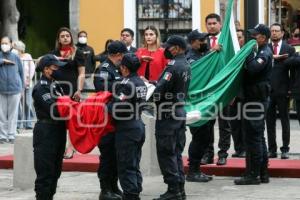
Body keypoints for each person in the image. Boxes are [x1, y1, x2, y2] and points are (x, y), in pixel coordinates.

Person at [152, 35, 190, 200]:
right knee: (176, 152)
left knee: (166, 152)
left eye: (170, 47)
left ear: (177, 48)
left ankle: (173, 189)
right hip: (179, 111)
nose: (167, 50)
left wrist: (150, 89)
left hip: (168, 114)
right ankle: (179, 188)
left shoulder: (173, 67)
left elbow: (159, 91)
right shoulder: (186, 64)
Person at [234, 24, 272, 185]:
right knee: (257, 137)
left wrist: (248, 54)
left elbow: (253, 68)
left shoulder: (264, 52)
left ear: (262, 37)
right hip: (253, 100)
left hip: (255, 101)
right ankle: (262, 173)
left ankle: (253, 174)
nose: (252, 38)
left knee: (253, 139)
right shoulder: (261, 50)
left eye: (255, 36)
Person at [94, 40, 128, 200]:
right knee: (107, 155)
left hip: (117, 118)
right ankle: (105, 189)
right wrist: (121, 84)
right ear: (117, 55)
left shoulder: (119, 69)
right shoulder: (104, 69)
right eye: (123, 55)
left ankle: (114, 186)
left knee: (116, 156)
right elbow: (103, 88)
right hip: (105, 119)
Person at [111, 53, 147, 200]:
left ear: (124, 68)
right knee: (134, 162)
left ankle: (131, 195)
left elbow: (118, 107)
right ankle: (136, 189)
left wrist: (105, 106)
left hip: (127, 128)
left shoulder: (126, 84)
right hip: (138, 124)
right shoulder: (140, 82)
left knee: (126, 165)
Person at [32, 54, 67, 199]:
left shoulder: (56, 85)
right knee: (45, 173)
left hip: (59, 130)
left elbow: (65, 105)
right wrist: (70, 107)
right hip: (46, 132)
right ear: (46, 69)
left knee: (55, 172)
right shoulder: (41, 88)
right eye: (55, 67)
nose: (58, 70)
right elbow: (55, 109)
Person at [201, 13, 232, 166]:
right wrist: (211, 51)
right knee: (207, 123)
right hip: (207, 90)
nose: (212, 26)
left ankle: (223, 154)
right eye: (209, 23)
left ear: (220, 24)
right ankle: (208, 153)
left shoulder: (227, 40)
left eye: (214, 23)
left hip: (224, 88)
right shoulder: (201, 42)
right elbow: (197, 61)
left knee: (225, 123)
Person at [185, 29, 213, 183]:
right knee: (199, 137)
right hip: (195, 104)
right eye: (201, 40)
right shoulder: (191, 59)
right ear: (192, 42)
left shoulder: (203, 55)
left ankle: (196, 169)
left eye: (205, 39)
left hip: (205, 103)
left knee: (205, 137)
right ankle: (193, 170)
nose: (205, 42)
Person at [266, 23, 295, 159]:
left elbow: (294, 72)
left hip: (284, 91)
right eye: (272, 31)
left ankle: (285, 149)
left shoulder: (289, 49)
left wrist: (291, 89)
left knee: (285, 121)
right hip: (267, 91)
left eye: (277, 31)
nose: (274, 33)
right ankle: (272, 149)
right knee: (269, 122)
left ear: (282, 33)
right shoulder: (265, 48)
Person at [0, 36, 24, 144]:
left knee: (13, 114)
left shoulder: (15, 57)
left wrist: (22, 88)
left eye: (6, 43)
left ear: (10, 44)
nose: (4, 45)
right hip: (1, 90)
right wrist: (3, 61)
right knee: (1, 114)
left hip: (15, 89)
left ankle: (12, 134)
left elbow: (21, 72)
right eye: (2, 43)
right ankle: (2, 136)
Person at [51, 27, 85, 101]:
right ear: (59, 40)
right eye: (62, 36)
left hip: (73, 89)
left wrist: (79, 90)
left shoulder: (78, 52)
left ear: (71, 38)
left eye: (67, 36)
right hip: (57, 89)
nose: (65, 38)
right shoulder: (54, 53)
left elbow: (82, 73)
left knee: (72, 112)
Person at [13, 40, 36, 129]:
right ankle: (18, 123)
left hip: (27, 84)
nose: (13, 49)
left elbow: (32, 69)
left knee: (27, 103)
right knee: (17, 104)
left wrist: (28, 79)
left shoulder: (28, 56)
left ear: (20, 49)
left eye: (15, 48)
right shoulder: (13, 57)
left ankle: (29, 123)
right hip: (17, 84)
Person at [230, 29, 246, 158]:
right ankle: (238, 148)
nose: (237, 40)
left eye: (239, 37)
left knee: (245, 124)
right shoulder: (230, 54)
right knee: (234, 124)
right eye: (236, 37)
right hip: (231, 95)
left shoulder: (248, 53)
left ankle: (245, 148)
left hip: (245, 95)